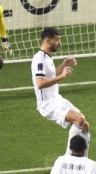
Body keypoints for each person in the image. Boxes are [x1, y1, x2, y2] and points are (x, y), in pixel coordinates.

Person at [31, 27, 91, 155]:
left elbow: (50, 76)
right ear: (48, 41)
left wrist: (63, 66)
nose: (59, 43)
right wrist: (62, 76)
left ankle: (84, 161)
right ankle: (68, 158)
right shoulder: (39, 59)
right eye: (57, 40)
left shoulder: (47, 57)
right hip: (47, 104)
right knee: (78, 120)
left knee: (84, 125)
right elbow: (40, 83)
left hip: (57, 99)